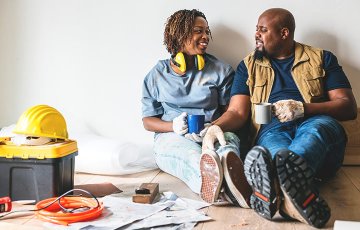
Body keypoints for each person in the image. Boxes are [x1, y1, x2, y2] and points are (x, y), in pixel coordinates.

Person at [202, 8, 357, 228]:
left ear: (284, 33)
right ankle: (295, 195)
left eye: (263, 30)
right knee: (273, 154)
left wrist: (304, 109)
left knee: (312, 135)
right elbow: (237, 112)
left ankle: (274, 187)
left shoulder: (322, 58)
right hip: (272, 130)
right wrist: (213, 128)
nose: (256, 34)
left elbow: (348, 107)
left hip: (316, 123)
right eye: (256, 29)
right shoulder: (248, 66)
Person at [141, 9, 252, 207]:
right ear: (179, 35)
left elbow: (232, 112)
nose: (205, 37)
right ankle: (214, 186)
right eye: (198, 31)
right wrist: (173, 127)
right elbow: (148, 121)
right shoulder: (156, 75)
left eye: (207, 31)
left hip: (215, 129)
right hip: (172, 138)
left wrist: (213, 128)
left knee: (226, 147)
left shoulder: (221, 69)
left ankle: (232, 176)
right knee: (192, 157)